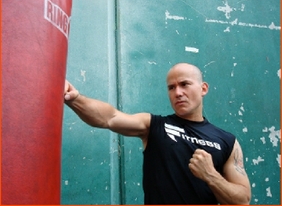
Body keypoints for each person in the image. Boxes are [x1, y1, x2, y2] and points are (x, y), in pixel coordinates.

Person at [64, 62, 251, 205]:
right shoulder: (154, 125)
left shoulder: (227, 141)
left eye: (185, 84)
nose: (178, 92)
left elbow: (243, 199)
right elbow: (109, 118)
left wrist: (210, 175)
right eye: (172, 87)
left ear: (203, 89)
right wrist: (75, 99)